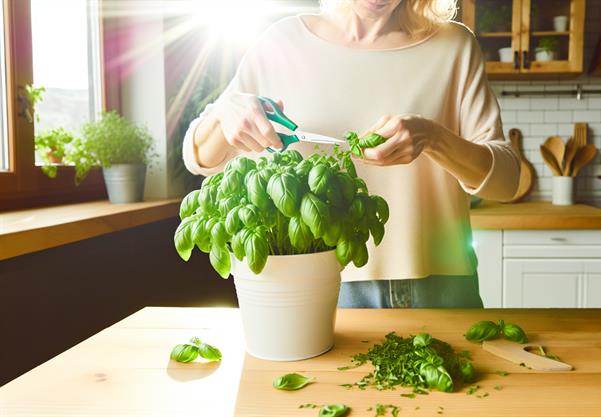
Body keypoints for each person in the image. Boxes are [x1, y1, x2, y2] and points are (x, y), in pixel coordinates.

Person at [183, 0, 520, 308]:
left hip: (441, 287)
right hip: (320, 285)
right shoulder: (281, 42)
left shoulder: (453, 46)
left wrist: (433, 138)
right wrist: (224, 114)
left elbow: (506, 183)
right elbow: (199, 156)